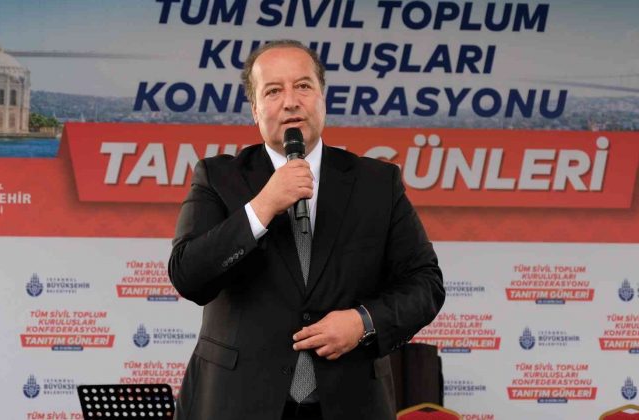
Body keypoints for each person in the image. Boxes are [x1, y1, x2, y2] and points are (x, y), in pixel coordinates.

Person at [169, 39, 445, 420]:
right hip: (237, 403)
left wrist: (363, 322)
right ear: (255, 109)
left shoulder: (378, 184)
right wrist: (262, 207)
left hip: (349, 403)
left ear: (322, 97)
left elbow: (426, 284)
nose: (290, 102)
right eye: (273, 91)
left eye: (303, 86)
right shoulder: (217, 178)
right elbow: (188, 275)